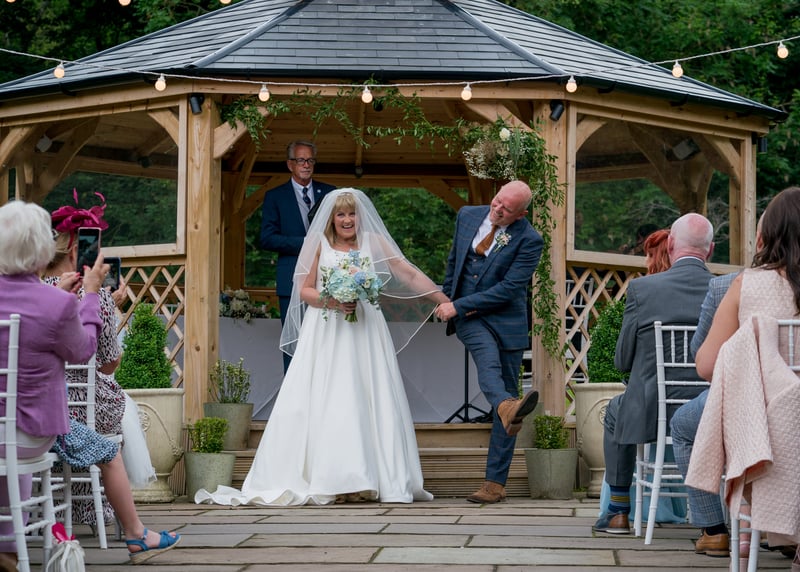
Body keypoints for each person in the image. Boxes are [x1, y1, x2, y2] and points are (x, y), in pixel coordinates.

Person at [197, 188, 449, 506]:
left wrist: (443, 299)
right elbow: (304, 290)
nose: (347, 220)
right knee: (332, 395)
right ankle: (335, 479)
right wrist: (333, 300)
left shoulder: (374, 242)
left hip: (367, 331)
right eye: (341, 214)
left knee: (370, 394)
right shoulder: (317, 243)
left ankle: (372, 479)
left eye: (352, 213)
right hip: (328, 331)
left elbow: (408, 273)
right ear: (331, 218)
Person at [44, 195, 180, 564]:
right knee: (115, 416)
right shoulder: (95, 297)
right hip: (78, 410)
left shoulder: (32, 292)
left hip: (36, 408)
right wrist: (104, 303)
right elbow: (107, 364)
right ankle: (133, 530)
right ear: (77, 249)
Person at [688, 186, 800, 568]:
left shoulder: (746, 285)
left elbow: (706, 365)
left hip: (763, 432)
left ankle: (740, 529)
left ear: (769, 233)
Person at [592, 212, 714, 534]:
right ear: (711, 249)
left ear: (670, 245)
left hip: (653, 408)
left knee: (616, 410)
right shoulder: (726, 289)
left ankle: (618, 510)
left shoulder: (642, 289)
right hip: (710, 406)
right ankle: (716, 519)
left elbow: (622, 360)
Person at [0, 200, 103, 572]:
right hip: (30, 435)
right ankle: (9, 548)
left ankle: (8, 548)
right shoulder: (56, 305)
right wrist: (90, 296)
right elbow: (83, 350)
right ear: (43, 250)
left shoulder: (55, 301)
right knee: (15, 447)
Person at [434, 180, 544, 504]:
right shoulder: (468, 215)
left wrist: (458, 305)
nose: (497, 210)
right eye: (497, 202)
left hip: (507, 321)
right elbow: (454, 262)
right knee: (488, 364)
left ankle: (495, 485)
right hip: (469, 317)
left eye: (506, 210)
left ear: (521, 214)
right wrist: (448, 301)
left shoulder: (530, 239)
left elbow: (509, 289)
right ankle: (506, 405)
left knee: (510, 407)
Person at [259, 140, 336, 372]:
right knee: (294, 345)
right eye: (301, 160)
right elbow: (267, 238)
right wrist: (305, 243)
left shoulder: (330, 193)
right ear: (290, 164)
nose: (306, 165)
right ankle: (294, 394)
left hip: (329, 279)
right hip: (291, 280)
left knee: (328, 344)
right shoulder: (275, 196)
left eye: (310, 160)